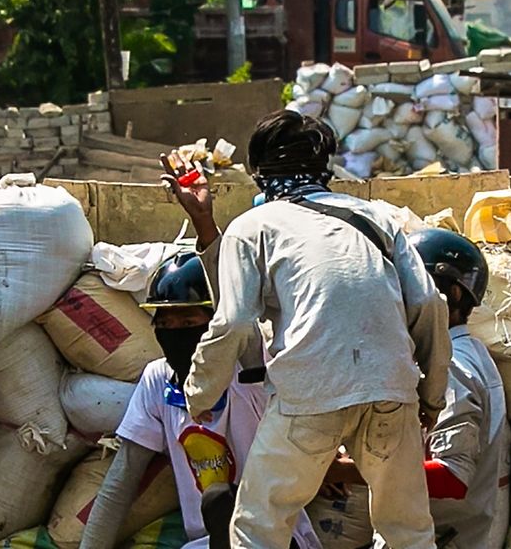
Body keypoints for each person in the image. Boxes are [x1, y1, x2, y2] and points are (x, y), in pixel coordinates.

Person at [183, 111, 450, 549]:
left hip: (310, 395)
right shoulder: (377, 218)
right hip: (391, 390)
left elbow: (232, 321)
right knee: (408, 533)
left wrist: (199, 395)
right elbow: (426, 303)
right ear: (324, 166)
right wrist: (431, 396)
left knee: (257, 528)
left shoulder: (253, 226)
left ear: (259, 172)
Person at [82, 157, 321, 549]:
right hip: (208, 543)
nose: (177, 335)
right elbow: (121, 481)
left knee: (223, 501)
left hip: (275, 537)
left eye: (189, 322)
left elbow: (235, 304)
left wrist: (204, 222)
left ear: (213, 323)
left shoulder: (249, 365)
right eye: (167, 325)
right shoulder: (159, 380)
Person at [325, 229, 511, 549]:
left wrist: (341, 471)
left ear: (452, 295)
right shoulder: (463, 352)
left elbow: (450, 477)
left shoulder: (450, 367)